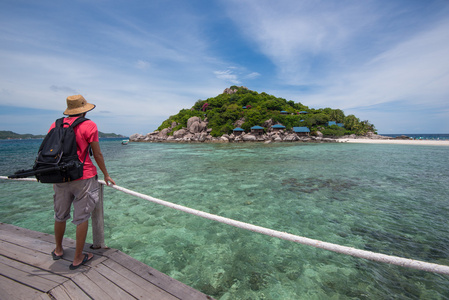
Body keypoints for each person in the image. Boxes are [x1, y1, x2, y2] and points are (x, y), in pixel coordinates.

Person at [50, 94, 115, 270]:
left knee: (59, 215)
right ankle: (78, 258)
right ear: (84, 110)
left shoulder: (56, 124)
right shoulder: (89, 125)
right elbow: (97, 153)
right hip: (83, 176)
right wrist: (106, 174)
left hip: (60, 176)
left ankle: (58, 250)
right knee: (82, 217)